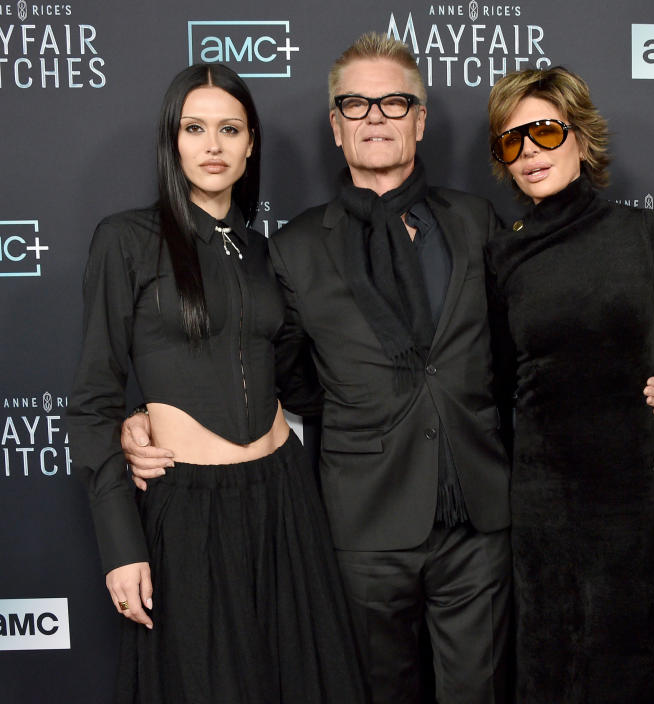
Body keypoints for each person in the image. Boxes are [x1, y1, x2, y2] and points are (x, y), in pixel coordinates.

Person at [123, 34, 513, 704]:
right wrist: (142, 415)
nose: (375, 116)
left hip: (478, 519)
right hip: (362, 524)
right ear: (335, 127)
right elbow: (272, 364)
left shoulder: (477, 221)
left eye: (394, 102)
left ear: (420, 119)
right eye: (355, 105)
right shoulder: (295, 247)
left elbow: (524, 342)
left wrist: (637, 369)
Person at [67, 63, 365, 703]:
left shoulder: (267, 252)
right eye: (194, 128)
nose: (212, 145)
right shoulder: (127, 241)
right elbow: (93, 403)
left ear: (251, 142)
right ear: (172, 140)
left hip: (286, 497)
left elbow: (303, 376)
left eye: (229, 129)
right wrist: (122, 547)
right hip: (187, 511)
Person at [485, 67, 654, 703]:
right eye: (512, 142)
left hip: (633, 499)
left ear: (581, 136)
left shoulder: (647, 235)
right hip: (543, 501)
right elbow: (496, 379)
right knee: (547, 667)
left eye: (544, 132)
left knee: (628, 666)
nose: (531, 154)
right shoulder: (502, 253)